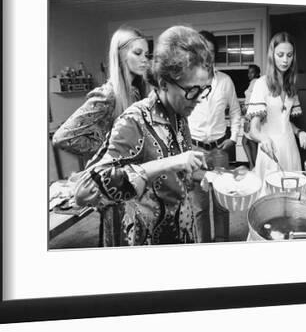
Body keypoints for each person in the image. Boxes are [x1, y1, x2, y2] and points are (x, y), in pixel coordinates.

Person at [71, 25, 214, 245]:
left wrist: (204, 175)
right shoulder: (135, 119)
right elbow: (83, 191)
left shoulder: (179, 116)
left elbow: (173, 177)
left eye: (204, 89)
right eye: (192, 90)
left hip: (178, 230)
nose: (199, 98)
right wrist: (170, 162)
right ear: (164, 83)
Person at [52, 25, 151, 159]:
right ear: (121, 55)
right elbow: (62, 137)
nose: (145, 59)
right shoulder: (107, 95)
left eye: (146, 54)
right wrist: (110, 149)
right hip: (115, 173)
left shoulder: (137, 91)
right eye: (138, 53)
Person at [188, 30, 241, 242]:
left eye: (210, 52)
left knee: (222, 203)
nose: (206, 57)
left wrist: (235, 137)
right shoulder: (187, 81)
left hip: (220, 151)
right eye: (202, 51)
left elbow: (236, 112)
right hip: (195, 151)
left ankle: (221, 243)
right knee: (199, 206)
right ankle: (203, 246)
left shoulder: (226, 81)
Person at [246, 32, 306, 185]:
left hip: (290, 147)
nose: (285, 60)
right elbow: (253, 128)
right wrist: (263, 138)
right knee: (270, 199)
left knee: (291, 195)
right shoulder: (261, 84)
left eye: (289, 55)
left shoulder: (291, 86)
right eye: (280, 54)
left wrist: (299, 132)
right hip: (270, 150)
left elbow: (284, 121)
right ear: (272, 55)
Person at [242, 64, 261, 169]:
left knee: (248, 142)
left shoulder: (256, 83)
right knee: (250, 142)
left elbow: (253, 101)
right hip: (249, 116)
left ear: (257, 73)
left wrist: (248, 119)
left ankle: (253, 165)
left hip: (250, 117)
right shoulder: (253, 83)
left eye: (252, 72)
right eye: (248, 72)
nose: (249, 74)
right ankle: (253, 165)